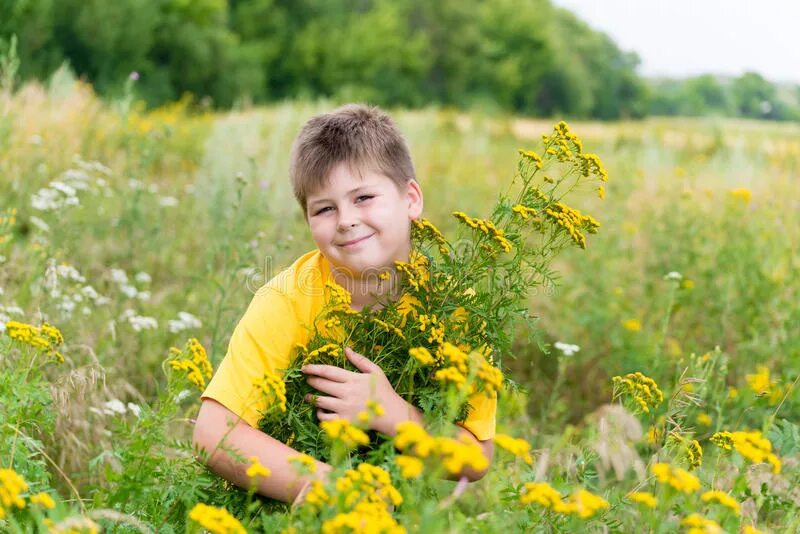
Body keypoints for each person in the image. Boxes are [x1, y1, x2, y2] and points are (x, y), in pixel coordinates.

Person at [192, 104, 496, 506]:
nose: (347, 220)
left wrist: (391, 413)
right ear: (307, 219)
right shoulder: (286, 300)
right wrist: (332, 489)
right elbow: (212, 434)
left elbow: (475, 458)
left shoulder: (456, 308)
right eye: (325, 208)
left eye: (364, 197)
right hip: (284, 509)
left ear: (411, 199)